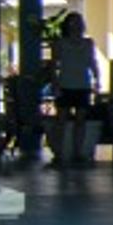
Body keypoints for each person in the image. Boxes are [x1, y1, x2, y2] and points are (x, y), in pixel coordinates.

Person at [47, 11, 104, 171]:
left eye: (78, 22)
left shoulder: (88, 43)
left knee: (81, 121)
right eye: (72, 23)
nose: (76, 26)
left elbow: (92, 62)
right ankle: (58, 151)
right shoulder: (60, 43)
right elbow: (54, 65)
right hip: (65, 84)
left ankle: (78, 151)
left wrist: (97, 79)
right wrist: (55, 83)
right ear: (67, 25)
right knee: (61, 120)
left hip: (83, 85)